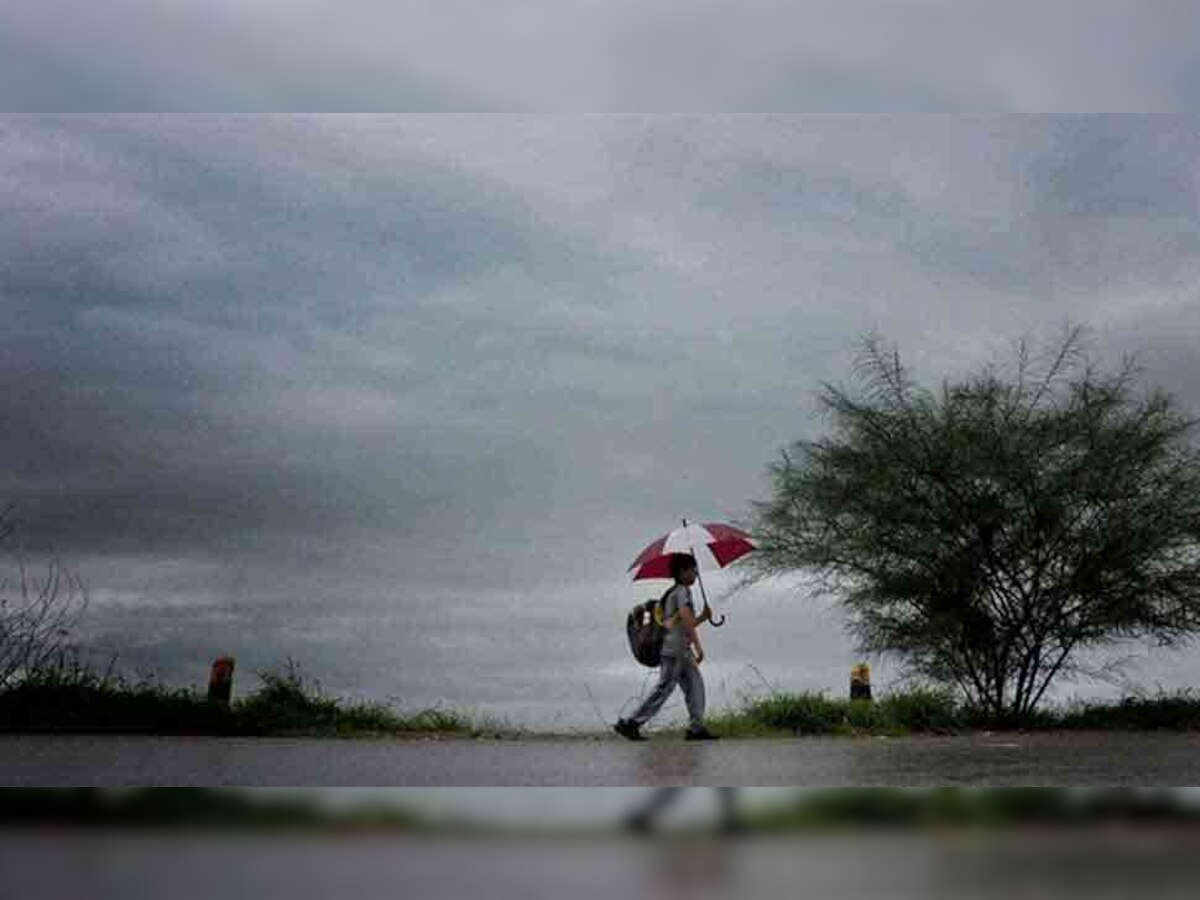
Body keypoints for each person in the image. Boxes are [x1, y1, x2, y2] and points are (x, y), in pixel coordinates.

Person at [614, 553, 718, 741]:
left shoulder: (673, 593)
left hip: (680, 651)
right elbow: (686, 621)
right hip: (675, 650)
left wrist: (703, 616)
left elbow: (678, 622)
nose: (695, 573)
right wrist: (699, 647)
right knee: (664, 688)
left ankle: (696, 728)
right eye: (692, 569)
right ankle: (630, 722)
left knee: (695, 686)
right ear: (682, 571)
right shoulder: (682, 592)